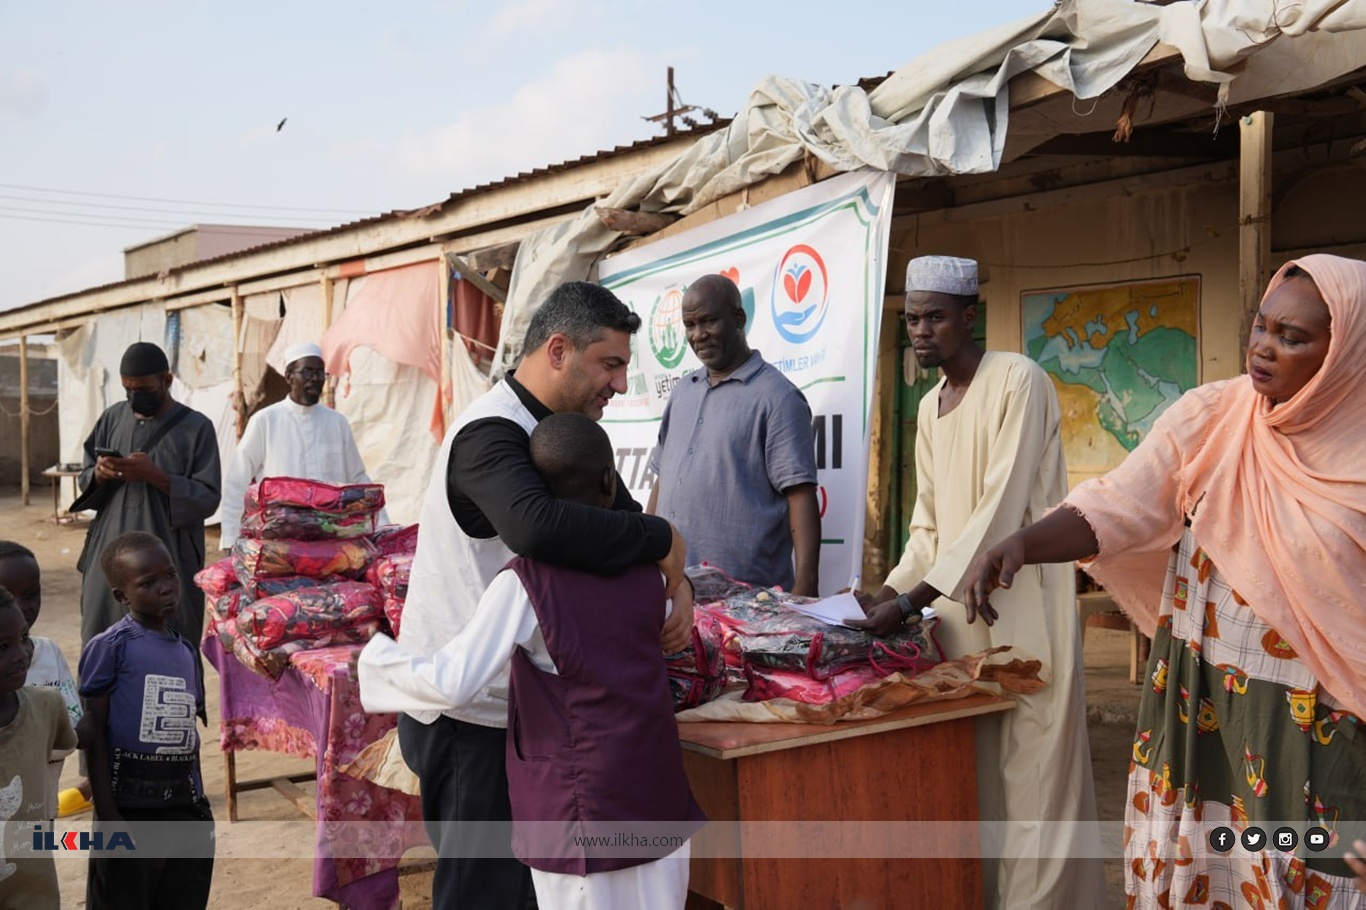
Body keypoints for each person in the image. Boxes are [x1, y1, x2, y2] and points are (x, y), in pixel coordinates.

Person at [964, 255, 1366, 907]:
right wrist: (1023, 545)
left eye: (1292, 338)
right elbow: (1125, 501)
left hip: (1320, 726)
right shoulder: (1218, 416)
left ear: (1346, 352)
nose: (1263, 347)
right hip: (1206, 702)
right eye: (1262, 326)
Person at [383, 280, 694, 910]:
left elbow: (619, 529)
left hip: (537, 717)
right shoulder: (489, 431)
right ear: (558, 350)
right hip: (471, 716)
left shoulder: (569, 436)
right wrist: (663, 537)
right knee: (484, 896)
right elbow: (537, 529)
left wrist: (677, 580)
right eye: (610, 364)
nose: (619, 384)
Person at [848, 255, 1105, 908]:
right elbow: (929, 527)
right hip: (961, 623)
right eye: (911, 318)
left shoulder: (1018, 380)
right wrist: (885, 594)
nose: (922, 331)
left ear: (971, 316)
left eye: (936, 316)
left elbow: (1000, 507)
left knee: (1035, 780)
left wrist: (912, 601)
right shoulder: (931, 408)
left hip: (1026, 612)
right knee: (980, 781)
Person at [647, 273, 821, 594]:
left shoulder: (778, 397)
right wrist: (644, 554)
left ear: (739, 318)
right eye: (689, 325)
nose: (698, 335)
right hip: (671, 590)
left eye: (708, 321)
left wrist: (806, 586)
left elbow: (800, 495)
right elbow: (662, 480)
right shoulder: (683, 391)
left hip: (746, 601)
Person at [79, 531, 214, 910]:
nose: (166, 588)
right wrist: (108, 814)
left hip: (184, 807)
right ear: (121, 596)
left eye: (170, 576)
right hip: (129, 809)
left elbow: (188, 735)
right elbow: (95, 733)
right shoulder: (110, 647)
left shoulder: (186, 651)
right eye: (148, 583)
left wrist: (200, 809)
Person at [76, 341, 221, 647]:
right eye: (127, 389)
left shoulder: (197, 428)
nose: (133, 397)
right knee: (102, 640)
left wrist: (158, 477)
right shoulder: (112, 417)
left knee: (170, 643)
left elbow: (208, 496)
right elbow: (85, 474)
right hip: (109, 551)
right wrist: (99, 475)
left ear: (166, 381)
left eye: (143, 389)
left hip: (169, 557)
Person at [218, 340, 386, 550]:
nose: (315, 378)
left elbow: (358, 478)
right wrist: (230, 539)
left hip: (332, 538)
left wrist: (384, 525)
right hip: (279, 541)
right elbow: (237, 481)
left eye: (320, 372)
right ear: (289, 376)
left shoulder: (337, 422)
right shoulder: (266, 420)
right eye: (307, 372)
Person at [0, 588, 77, 910]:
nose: (20, 654)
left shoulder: (46, 707)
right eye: (3, 647)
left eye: (24, 638)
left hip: (34, 894)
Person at [0, 542, 84, 819]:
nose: (21, 607)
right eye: (7, 596)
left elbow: (70, 734)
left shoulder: (48, 652)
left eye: (31, 594)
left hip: (41, 807)